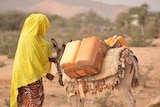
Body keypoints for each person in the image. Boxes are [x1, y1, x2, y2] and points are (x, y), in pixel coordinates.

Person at [10, 13, 54, 107]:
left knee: (34, 101)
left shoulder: (36, 40)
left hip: (33, 76)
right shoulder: (29, 39)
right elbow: (33, 60)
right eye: (43, 25)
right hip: (27, 76)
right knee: (30, 102)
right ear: (38, 25)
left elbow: (40, 55)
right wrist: (45, 73)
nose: (45, 28)